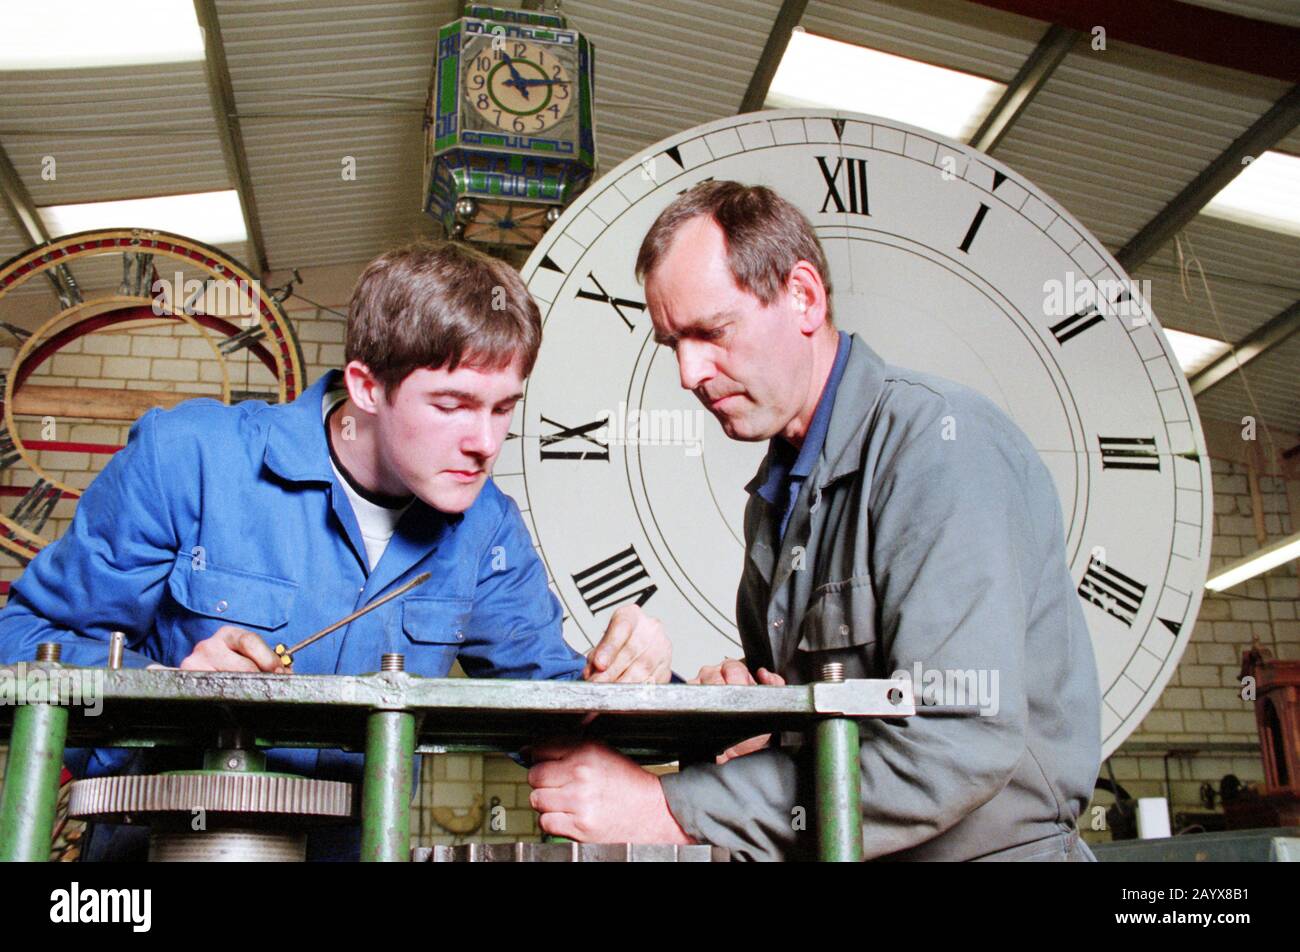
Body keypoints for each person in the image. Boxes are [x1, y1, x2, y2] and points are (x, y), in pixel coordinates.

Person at [0, 239, 670, 859]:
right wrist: (165, 690)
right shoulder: (193, 458)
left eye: (502, 409)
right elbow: (21, 636)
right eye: (453, 405)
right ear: (366, 386)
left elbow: (554, 706)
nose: (485, 443)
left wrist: (639, 676)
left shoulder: (485, 529)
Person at [526, 181, 1101, 861]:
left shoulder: (942, 447)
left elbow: (956, 743)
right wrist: (757, 720)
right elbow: (834, 737)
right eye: (671, 343)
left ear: (803, 294)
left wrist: (669, 809)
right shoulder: (776, 498)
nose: (688, 373)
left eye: (711, 332)